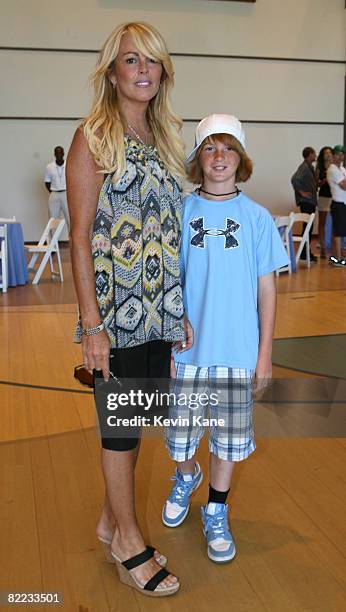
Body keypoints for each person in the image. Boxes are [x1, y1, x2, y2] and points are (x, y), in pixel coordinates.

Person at [66, 22, 193, 597]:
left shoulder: (166, 139)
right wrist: (92, 326)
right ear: (112, 72)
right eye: (130, 61)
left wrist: (178, 308)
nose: (143, 70)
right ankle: (127, 542)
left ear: (163, 71)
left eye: (152, 62)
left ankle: (108, 520)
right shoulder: (93, 137)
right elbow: (82, 233)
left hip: (159, 311)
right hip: (115, 316)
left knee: (136, 423)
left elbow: (169, 233)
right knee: (120, 431)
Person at [162, 114, 289, 563]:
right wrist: (171, 334)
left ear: (241, 158)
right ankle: (186, 476)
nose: (219, 158)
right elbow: (168, 281)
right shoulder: (180, 210)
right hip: (188, 351)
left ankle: (217, 509)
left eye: (228, 148)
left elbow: (267, 289)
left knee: (228, 440)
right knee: (181, 437)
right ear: (198, 159)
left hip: (237, 352)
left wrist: (264, 355)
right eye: (210, 149)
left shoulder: (256, 218)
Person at [291, 147, 318, 261]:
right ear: (309, 155)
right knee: (307, 227)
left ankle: (306, 252)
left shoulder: (310, 167)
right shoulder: (304, 167)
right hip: (306, 201)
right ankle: (304, 252)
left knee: (308, 228)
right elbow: (294, 179)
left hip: (310, 201)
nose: (315, 156)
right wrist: (302, 193)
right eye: (314, 154)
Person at [327, 145, 346, 267]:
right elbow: (344, 185)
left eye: (342, 154)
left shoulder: (343, 169)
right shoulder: (332, 169)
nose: (340, 157)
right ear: (333, 156)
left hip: (343, 204)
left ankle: (336, 256)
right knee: (338, 232)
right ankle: (338, 258)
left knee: (341, 231)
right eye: (338, 154)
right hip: (338, 203)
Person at [44, 146, 70, 231]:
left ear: (63, 153)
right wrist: (53, 192)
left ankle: (73, 242)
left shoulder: (69, 164)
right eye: (57, 153)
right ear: (54, 154)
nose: (59, 154)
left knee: (70, 219)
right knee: (52, 219)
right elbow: (47, 182)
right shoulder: (49, 167)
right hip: (54, 193)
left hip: (66, 193)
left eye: (60, 152)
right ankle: (53, 243)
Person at [316, 146, 333, 258]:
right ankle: (322, 248)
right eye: (325, 153)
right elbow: (316, 184)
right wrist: (325, 179)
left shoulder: (335, 167)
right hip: (323, 197)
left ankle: (333, 248)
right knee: (322, 222)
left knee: (334, 223)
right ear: (322, 155)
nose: (327, 155)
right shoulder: (319, 169)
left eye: (329, 153)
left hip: (334, 197)